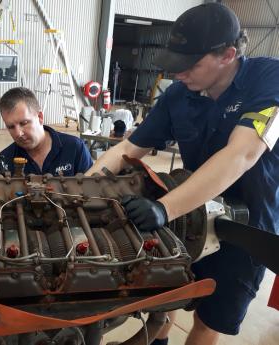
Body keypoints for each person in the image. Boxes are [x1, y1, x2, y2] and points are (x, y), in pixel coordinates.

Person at [87, 3, 279, 345]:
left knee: (208, 321)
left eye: (189, 64)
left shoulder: (268, 80)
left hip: (244, 227)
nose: (178, 74)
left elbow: (242, 154)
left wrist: (163, 208)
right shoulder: (179, 95)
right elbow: (127, 150)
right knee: (167, 292)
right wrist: (82, 191)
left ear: (227, 54)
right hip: (186, 220)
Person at [0, 87, 93, 176]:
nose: (18, 133)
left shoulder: (75, 149)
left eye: (24, 123)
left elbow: (91, 189)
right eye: (11, 127)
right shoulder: (4, 160)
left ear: (40, 117)